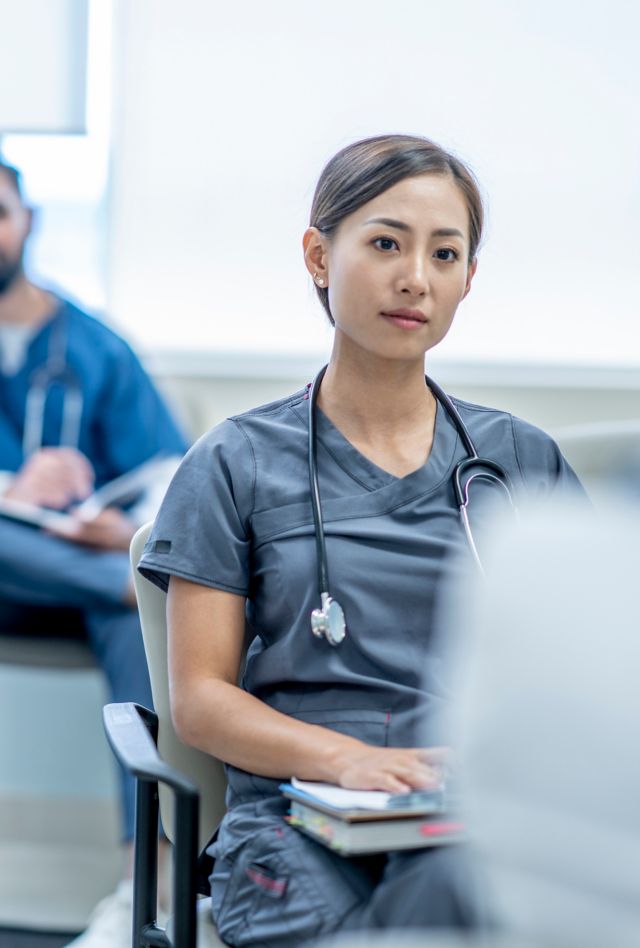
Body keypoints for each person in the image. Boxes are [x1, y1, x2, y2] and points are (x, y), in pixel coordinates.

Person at [138, 134, 585, 946]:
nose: (416, 276)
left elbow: (584, 667)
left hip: (473, 817)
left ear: (467, 281)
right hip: (293, 821)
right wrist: (347, 762)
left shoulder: (519, 461)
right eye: (385, 243)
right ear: (318, 255)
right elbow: (199, 701)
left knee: (476, 890)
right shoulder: (234, 462)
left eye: (445, 254)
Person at [0, 159, 189, 947]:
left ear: (28, 221)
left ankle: (140, 885)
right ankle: (124, 582)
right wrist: (14, 489)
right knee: (139, 592)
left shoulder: (98, 349)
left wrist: (118, 530)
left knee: (138, 624)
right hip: (66, 571)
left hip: (79, 577)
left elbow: (168, 480)